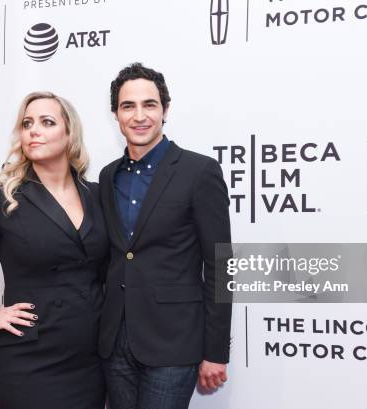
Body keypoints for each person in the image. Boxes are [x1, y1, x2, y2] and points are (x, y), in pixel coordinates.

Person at [0, 92, 107, 409]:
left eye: (47, 122)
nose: (33, 131)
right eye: (27, 124)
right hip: (29, 361)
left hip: (89, 360)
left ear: (70, 134)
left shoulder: (97, 195)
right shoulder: (4, 196)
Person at [98, 63, 233, 409]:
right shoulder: (107, 176)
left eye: (150, 104)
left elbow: (220, 265)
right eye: (128, 106)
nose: (139, 115)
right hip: (115, 342)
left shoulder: (198, 171)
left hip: (174, 343)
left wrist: (215, 352)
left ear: (165, 110)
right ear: (116, 114)